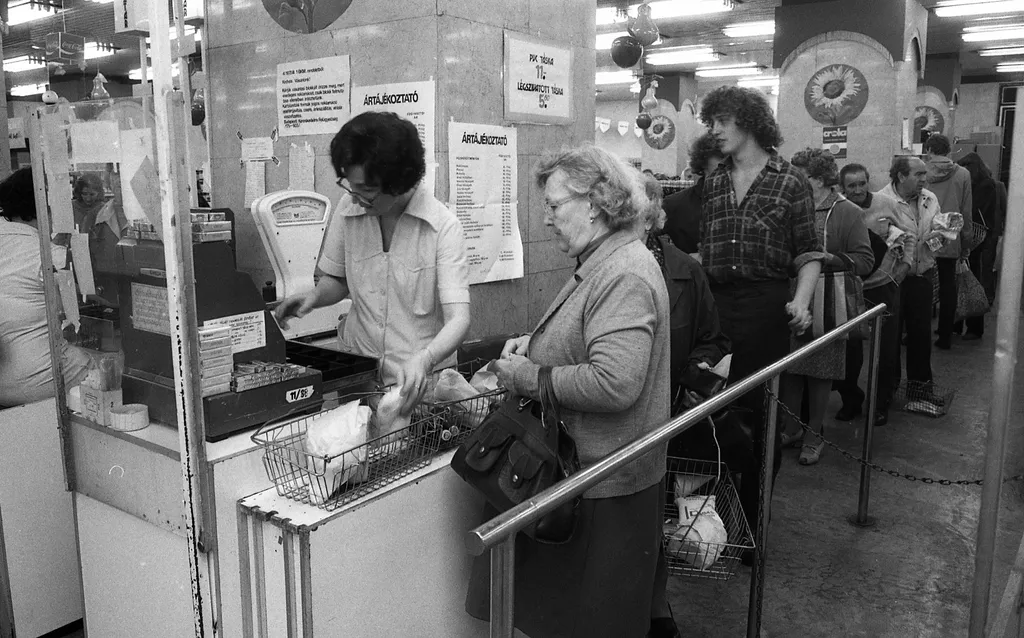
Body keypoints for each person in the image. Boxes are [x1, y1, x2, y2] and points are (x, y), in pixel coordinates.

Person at [467, 146, 671, 638]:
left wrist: (528, 376)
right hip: (589, 475)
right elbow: (586, 334)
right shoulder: (605, 258)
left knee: (591, 620)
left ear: (596, 204)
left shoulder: (624, 273)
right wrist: (536, 346)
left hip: (601, 485)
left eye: (555, 206)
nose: (546, 219)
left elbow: (616, 382)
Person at [275, 112, 470, 413]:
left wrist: (425, 358)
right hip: (359, 382)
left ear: (399, 180)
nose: (356, 198)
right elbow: (338, 281)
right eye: (350, 186)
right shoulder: (348, 210)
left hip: (417, 391)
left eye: (366, 189)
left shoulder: (442, 228)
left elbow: (459, 319)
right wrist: (313, 297)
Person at [698, 86, 824, 531]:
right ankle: (708, 520)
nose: (714, 131)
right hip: (715, 308)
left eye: (721, 122)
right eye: (711, 123)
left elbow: (809, 253)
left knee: (760, 413)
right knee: (708, 410)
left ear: (749, 122)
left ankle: (751, 521)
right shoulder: (713, 182)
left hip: (765, 306)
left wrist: (801, 302)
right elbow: (706, 251)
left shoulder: (789, 181)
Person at [639, 174, 729, 638]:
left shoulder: (684, 271)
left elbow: (713, 338)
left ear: (653, 213)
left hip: (670, 414)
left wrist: (694, 374)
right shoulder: (593, 265)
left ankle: (656, 608)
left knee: (656, 520)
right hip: (618, 423)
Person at [779, 150, 873, 465]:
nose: (792, 182)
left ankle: (814, 435)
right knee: (791, 371)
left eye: (800, 176)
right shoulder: (792, 207)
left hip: (828, 301)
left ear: (819, 179)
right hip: (792, 297)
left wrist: (824, 259)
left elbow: (865, 261)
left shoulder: (847, 212)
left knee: (820, 374)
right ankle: (791, 429)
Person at [834, 163, 916, 427]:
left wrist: (904, 267)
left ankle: (880, 404)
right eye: (851, 186)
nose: (858, 190)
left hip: (883, 287)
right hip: (851, 288)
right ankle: (851, 400)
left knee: (885, 348)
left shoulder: (885, 204)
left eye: (862, 183)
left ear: (868, 181)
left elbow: (910, 234)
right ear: (842, 188)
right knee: (849, 349)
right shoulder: (839, 209)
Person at [1, 168, 91, 406]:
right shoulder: (47, 254)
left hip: (4, 377)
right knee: (98, 368)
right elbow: (87, 285)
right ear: (45, 204)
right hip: (35, 381)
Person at [879, 157, 943, 395]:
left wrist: (941, 236)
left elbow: (936, 232)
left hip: (922, 274)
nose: (924, 179)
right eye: (918, 174)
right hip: (893, 278)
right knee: (890, 338)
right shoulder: (882, 201)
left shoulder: (930, 198)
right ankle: (886, 391)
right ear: (901, 176)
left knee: (921, 335)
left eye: (924, 174)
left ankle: (920, 390)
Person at [923, 134, 972, 349]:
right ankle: (945, 334)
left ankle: (916, 332)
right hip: (950, 238)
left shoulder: (920, 172)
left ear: (929, 150)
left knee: (922, 286)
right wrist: (966, 242)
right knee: (947, 286)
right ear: (949, 150)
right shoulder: (963, 174)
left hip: (925, 237)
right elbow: (966, 211)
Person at [956, 152, 1003, 337]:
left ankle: (974, 327)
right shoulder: (982, 184)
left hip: (977, 237)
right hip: (972, 235)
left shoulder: (985, 185)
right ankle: (957, 323)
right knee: (963, 280)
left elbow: (975, 209)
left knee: (973, 280)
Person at [662, 132, 725, 255]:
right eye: (721, 170)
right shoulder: (676, 205)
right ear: (703, 166)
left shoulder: (749, 202)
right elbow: (640, 233)